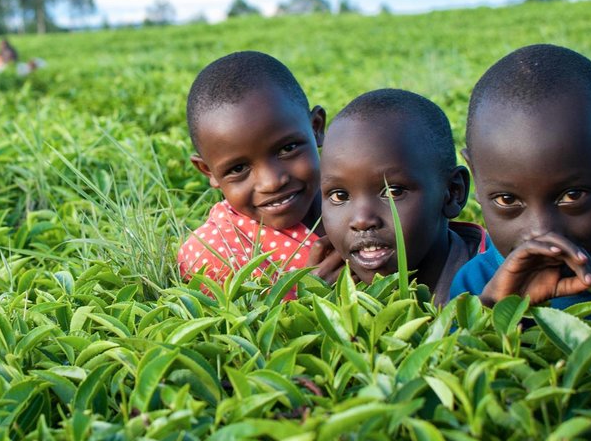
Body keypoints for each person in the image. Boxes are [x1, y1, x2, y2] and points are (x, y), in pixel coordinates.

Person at [449, 44, 591, 316]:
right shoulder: (472, 285)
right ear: (476, 180)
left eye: (572, 196)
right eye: (507, 200)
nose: (543, 232)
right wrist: (495, 312)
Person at [308, 89, 485, 304]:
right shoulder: (335, 293)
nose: (362, 220)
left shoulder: (494, 288)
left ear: (453, 193)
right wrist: (314, 298)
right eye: (339, 195)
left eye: (393, 192)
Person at [177, 51, 326, 294]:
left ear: (316, 128)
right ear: (209, 171)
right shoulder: (214, 253)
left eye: (287, 149)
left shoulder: (364, 198)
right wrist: (312, 291)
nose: (272, 182)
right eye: (238, 169)